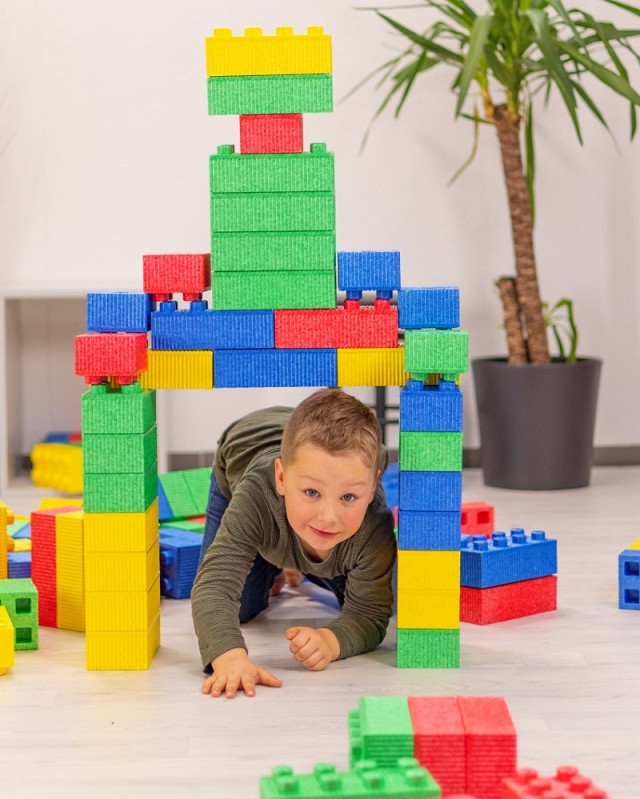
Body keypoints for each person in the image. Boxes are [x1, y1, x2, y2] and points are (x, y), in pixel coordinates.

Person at [191, 388, 397, 699]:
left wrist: (330, 641)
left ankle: (290, 555)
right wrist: (229, 657)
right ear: (283, 478)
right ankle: (272, 555)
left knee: (386, 594)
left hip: (301, 485)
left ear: (371, 489)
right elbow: (214, 585)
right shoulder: (257, 493)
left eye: (349, 497)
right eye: (312, 493)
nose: (328, 517)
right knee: (243, 606)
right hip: (241, 452)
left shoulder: (374, 523)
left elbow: (370, 613)